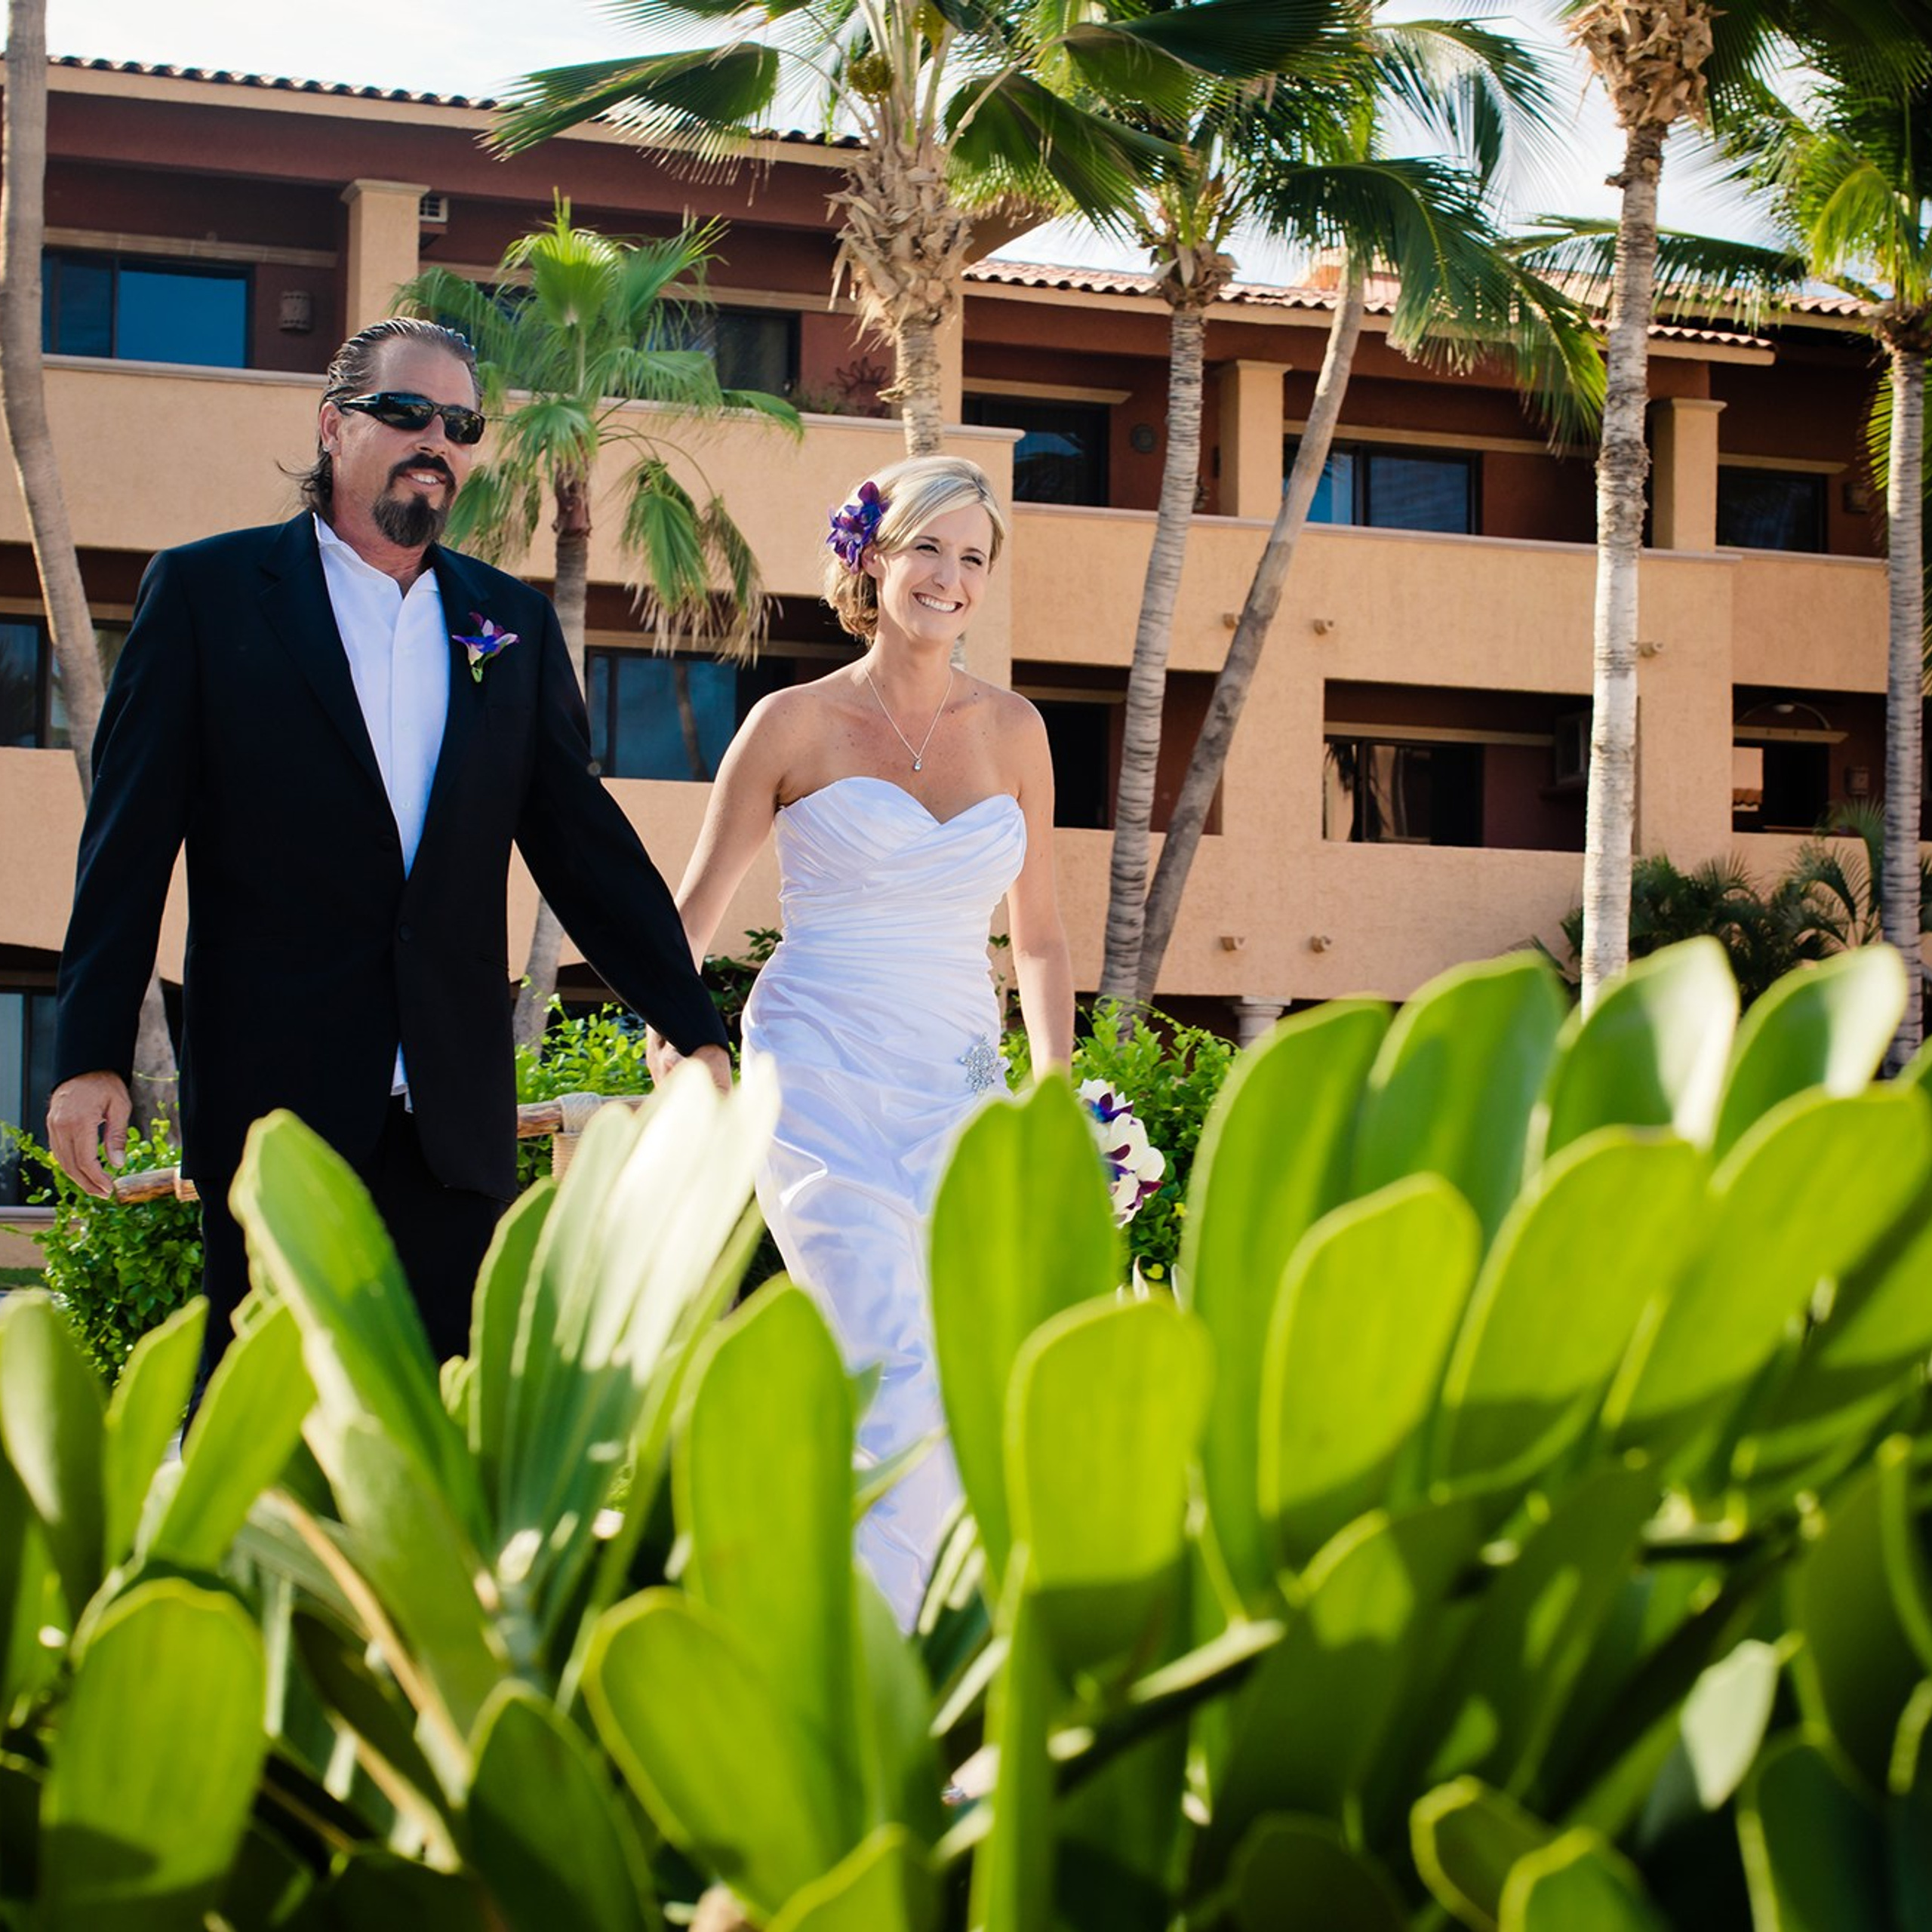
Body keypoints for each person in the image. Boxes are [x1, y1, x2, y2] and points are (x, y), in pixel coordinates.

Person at [48, 316, 731, 1377]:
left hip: (452, 1112)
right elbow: (128, 839)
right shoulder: (208, 595)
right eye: (405, 412)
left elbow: (580, 843)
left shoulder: (506, 623)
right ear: (333, 425)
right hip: (279, 1106)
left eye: (460, 424)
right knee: (275, 1410)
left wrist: (691, 1025)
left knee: (452, 1422)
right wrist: (91, 1050)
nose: (437, 441)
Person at [656, 453, 1074, 1623]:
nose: (949, 576)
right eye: (929, 547)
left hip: (959, 1088)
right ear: (873, 557)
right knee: (884, 1352)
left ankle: (922, 1650)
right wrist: (683, 1054)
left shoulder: (1018, 731)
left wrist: (1052, 1097)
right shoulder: (792, 724)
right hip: (817, 1076)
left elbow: (1038, 941)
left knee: (960, 1359)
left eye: (973, 557)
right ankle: (879, 1663)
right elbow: (682, 926)